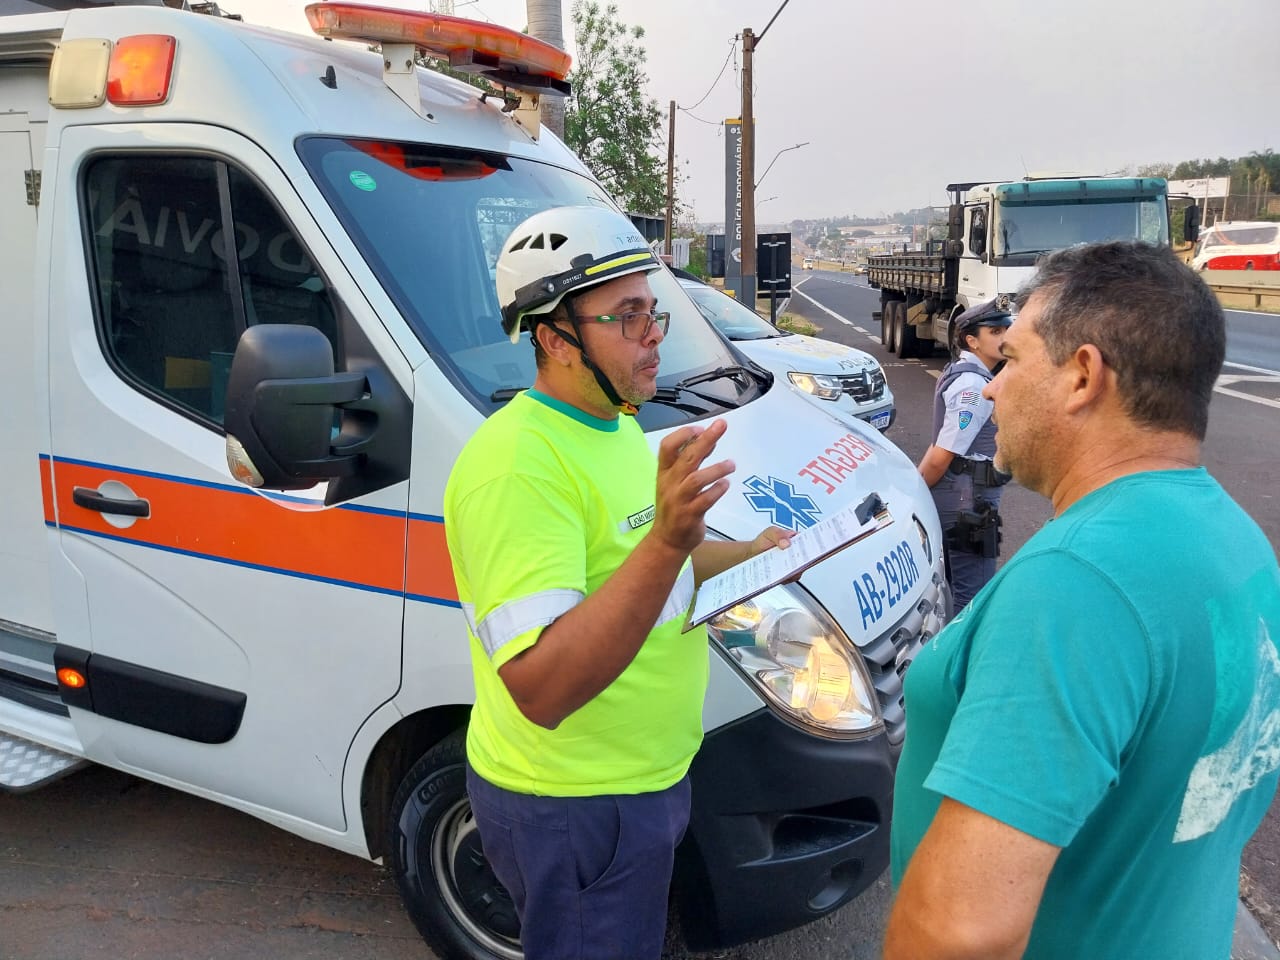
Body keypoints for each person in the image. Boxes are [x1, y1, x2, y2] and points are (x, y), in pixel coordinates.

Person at [885, 241, 1280, 960]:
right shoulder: (1239, 542)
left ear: (1082, 376)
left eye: (1012, 360)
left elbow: (957, 931)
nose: (994, 387)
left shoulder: (1076, 581)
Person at [443, 205, 788, 960]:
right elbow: (543, 688)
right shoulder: (517, 466)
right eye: (627, 316)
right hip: (573, 803)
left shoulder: (617, 428)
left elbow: (645, 577)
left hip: (641, 782)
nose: (654, 332)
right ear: (555, 339)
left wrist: (759, 553)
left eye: (653, 309)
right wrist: (666, 541)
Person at [916, 298, 1013, 612]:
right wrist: (915, 494)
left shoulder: (968, 372)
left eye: (1006, 330)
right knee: (973, 593)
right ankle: (960, 657)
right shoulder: (973, 386)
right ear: (972, 340)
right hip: (967, 501)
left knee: (959, 583)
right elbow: (942, 454)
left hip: (966, 496)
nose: (1004, 337)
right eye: (994, 331)